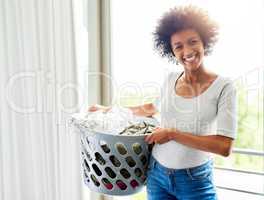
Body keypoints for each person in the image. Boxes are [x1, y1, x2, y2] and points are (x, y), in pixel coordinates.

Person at [89, 5, 237, 200]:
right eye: (178, 46)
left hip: (194, 181)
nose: (187, 50)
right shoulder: (170, 79)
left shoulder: (224, 86)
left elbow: (224, 147)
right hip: (157, 175)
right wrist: (107, 110)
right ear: (172, 51)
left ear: (204, 42)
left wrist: (172, 134)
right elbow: (151, 108)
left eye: (193, 42)